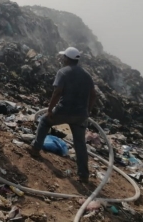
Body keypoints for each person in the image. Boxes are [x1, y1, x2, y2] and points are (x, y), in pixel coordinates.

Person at [28, 47, 97, 184]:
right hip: (81, 115)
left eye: (63, 57)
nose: (61, 59)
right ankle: (83, 174)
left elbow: (57, 92)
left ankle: (35, 149)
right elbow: (94, 95)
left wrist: (49, 110)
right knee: (80, 143)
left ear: (66, 58)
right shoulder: (87, 75)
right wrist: (87, 111)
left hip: (64, 110)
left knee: (44, 122)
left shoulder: (63, 72)